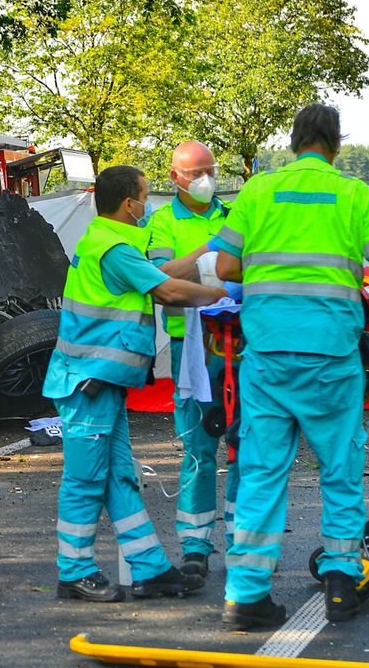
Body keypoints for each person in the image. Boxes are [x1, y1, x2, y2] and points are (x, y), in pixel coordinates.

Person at [211, 104, 369, 629]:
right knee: (339, 471)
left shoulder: (256, 191)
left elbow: (226, 266)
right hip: (331, 358)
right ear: (336, 143)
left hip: (268, 357)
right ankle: (342, 582)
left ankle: (245, 597)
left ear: (295, 141)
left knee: (261, 473)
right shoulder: (353, 194)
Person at [46, 164, 228, 603]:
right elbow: (168, 291)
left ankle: (150, 569)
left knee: (119, 477)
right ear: (129, 204)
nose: (149, 205)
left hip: (100, 382)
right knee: (86, 479)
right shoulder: (115, 250)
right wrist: (227, 296)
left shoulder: (108, 239)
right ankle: (73, 570)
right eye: (146, 197)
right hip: (87, 382)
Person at [145, 141, 239, 580]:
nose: (206, 180)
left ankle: (243, 543)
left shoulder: (237, 212)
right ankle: (195, 546)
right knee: (199, 450)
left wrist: (199, 268)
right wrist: (213, 252)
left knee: (244, 447)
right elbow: (161, 277)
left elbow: (248, 268)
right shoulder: (161, 221)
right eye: (196, 172)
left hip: (240, 342)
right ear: (175, 177)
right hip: (192, 348)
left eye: (210, 170)